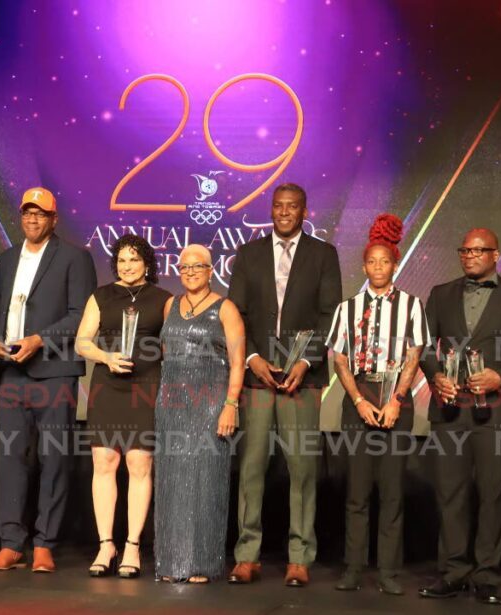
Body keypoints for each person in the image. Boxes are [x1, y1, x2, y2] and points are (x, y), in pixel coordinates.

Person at [227, 183, 342, 587]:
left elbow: (330, 315)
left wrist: (307, 361)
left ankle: (299, 556)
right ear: (271, 210)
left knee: (302, 467)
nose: (284, 212)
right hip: (257, 378)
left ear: (304, 211)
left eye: (292, 207)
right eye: (278, 206)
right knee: (252, 467)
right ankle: (247, 554)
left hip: (302, 379)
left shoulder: (323, 255)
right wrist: (254, 358)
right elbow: (236, 312)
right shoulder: (250, 253)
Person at [417, 228, 501, 605]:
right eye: (464, 250)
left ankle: (487, 575)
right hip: (450, 409)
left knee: (492, 494)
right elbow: (423, 345)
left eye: (477, 250)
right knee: (450, 494)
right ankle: (453, 571)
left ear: (495, 254)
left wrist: (500, 377)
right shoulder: (440, 294)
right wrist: (436, 375)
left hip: (496, 412)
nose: (469, 255)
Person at [0, 187, 97, 573]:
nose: (32, 219)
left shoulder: (75, 258)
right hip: (12, 372)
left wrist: (41, 341)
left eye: (40, 214)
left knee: (54, 459)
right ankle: (11, 543)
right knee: (12, 459)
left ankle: (45, 543)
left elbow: (81, 314)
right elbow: (2, 311)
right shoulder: (6, 258)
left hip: (55, 372)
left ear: (54, 219)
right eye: (27, 213)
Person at [326, 214, 428, 595]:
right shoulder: (347, 308)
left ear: (394, 264)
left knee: (392, 492)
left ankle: (388, 571)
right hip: (359, 401)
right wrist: (358, 401)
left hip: (396, 403)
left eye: (386, 261)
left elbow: (414, 355)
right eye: (373, 261)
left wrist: (398, 400)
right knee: (357, 492)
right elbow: (339, 358)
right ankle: (353, 568)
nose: (379, 267)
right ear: (365, 265)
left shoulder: (412, 306)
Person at [74, 233, 171, 578]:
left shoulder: (163, 298)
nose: (127, 266)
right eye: (122, 260)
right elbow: (81, 342)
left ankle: (132, 546)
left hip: (146, 385)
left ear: (147, 263)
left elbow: (173, 344)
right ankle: (106, 545)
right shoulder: (102, 295)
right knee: (105, 460)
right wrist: (105, 357)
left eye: (134, 259)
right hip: (108, 383)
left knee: (139, 462)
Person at [153, 244, 245, 583]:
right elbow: (167, 353)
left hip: (210, 402)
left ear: (211, 270)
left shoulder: (226, 309)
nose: (190, 272)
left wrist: (230, 405)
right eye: (184, 267)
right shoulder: (169, 305)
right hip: (172, 401)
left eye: (198, 266)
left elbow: (237, 363)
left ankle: (202, 563)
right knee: (172, 481)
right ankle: (172, 562)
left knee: (206, 481)